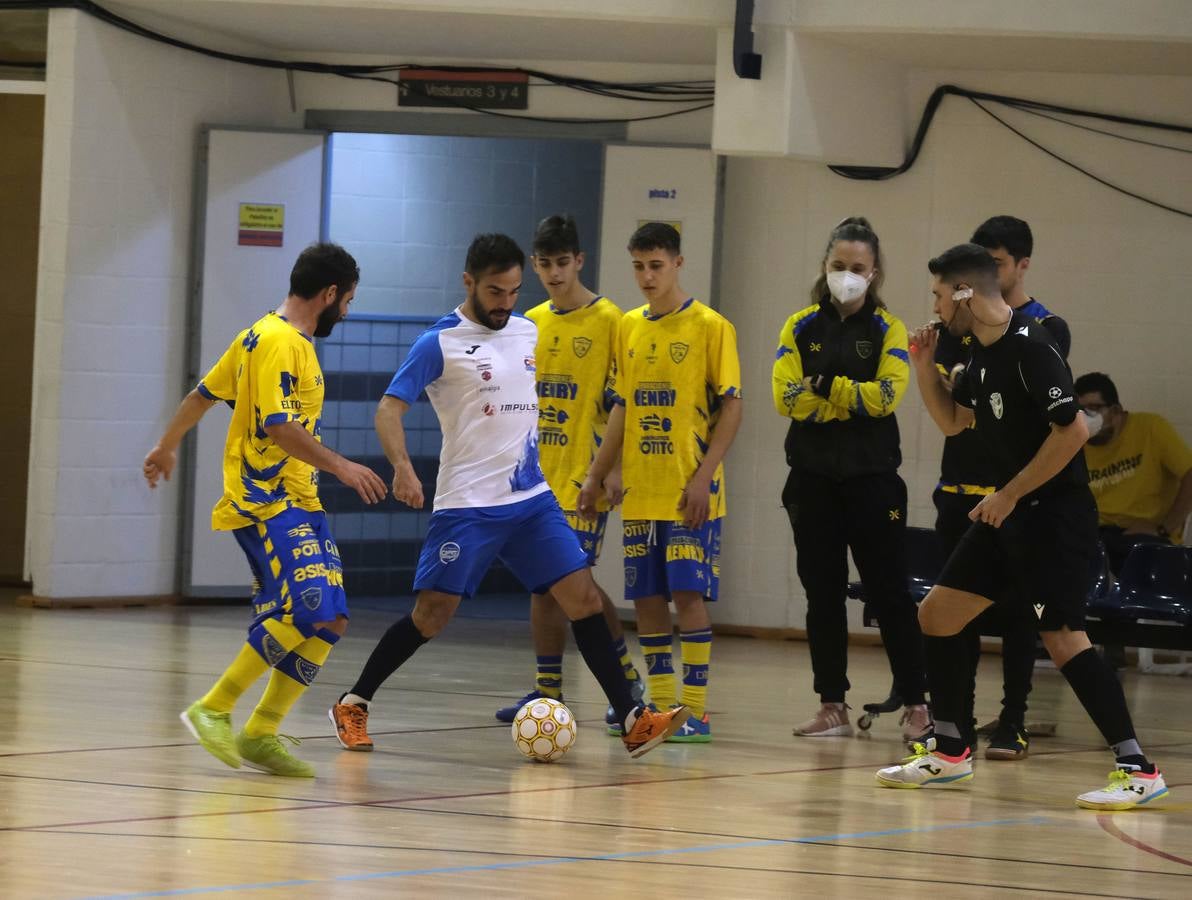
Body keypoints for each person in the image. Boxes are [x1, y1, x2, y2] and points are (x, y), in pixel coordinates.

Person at [328, 233, 686, 758]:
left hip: (531, 500)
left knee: (583, 598)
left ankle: (633, 719)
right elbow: (388, 409)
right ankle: (353, 701)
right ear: (469, 282)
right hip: (468, 504)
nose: (505, 303)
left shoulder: (526, 331)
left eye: (514, 291)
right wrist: (402, 467)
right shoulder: (439, 342)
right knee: (432, 615)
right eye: (495, 292)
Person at [878, 243, 1169, 810]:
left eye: (939, 296)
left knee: (1063, 639)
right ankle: (950, 750)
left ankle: (1138, 767)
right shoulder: (978, 355)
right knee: (937, 614)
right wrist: (921, 367)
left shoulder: (1032, 351)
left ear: (965, 294)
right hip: (1007, 513)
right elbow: (956, 422)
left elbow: (1073, 432)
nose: (934, 308)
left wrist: (1010, 493)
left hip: (1053, 517)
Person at [143, 243, 388, 777]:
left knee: (332, 619)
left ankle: (261, 732)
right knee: (309, 608)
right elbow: (279, 426)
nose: (345, 312)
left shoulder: (263, 334)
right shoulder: (279, 342)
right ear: (329, 294)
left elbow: (201, 397)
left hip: (301, 499)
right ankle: (213, 707)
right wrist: (343, 466)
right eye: (346, 301)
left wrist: (166, 445)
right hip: (266, 501)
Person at [579, 222, 743, 744]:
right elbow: (623, 408)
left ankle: (694, 710)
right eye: (638, 266)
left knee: (687, 594)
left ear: (678, 263)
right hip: (641, 494)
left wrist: (704, 476)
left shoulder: (711, 326)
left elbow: (733, 406)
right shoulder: (629, 326)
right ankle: (662, 705)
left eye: (656, 265)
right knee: (647, 599)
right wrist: (598, 474)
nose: (647, 276)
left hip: (689, 491)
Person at [772, 216, 930, 741]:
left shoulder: (891, 330)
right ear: (825, 266)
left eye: (857, 267)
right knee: (822, 594)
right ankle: (831, 704)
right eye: (838, 265)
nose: (847, 275)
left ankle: (916, 704)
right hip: (812, 481)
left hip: (873, 482)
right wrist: (847, 402)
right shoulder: (798, 327)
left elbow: (887, 397)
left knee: (890, 595)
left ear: (875, 272)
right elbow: (784, 399)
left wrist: (825, 389)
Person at [492, 215, 645, 731]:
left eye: (563, 262)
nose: (554, 273)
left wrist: (612, 469)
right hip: (533, 476)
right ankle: (550, 691)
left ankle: (621, 680)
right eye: (545, 264)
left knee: (567, 582)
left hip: (585, 474)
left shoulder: (611, 320)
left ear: (579, 261)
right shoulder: (529, 322)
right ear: (534, 265)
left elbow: (625, 400)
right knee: (546, 586)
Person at [933, 216, 1070, 761]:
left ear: (1020, 266)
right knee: (950, 609)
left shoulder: (1044, 328)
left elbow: (1060, 422)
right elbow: (952, 403)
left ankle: (1013, 719)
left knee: (1021, 615)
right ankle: (954, 726)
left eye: (998, 262)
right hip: (959, 484)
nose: (987, 271)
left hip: (1014, 491)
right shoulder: (954, 324)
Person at [1075, 371, 1192, 573]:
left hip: (1146, 536)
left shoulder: (1150, 428)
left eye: (1094, 408)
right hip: (1095, 536)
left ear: (1115, 411)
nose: (1087, 418)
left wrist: (1164, 528)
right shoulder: (1075, 443)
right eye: (1081, 410)